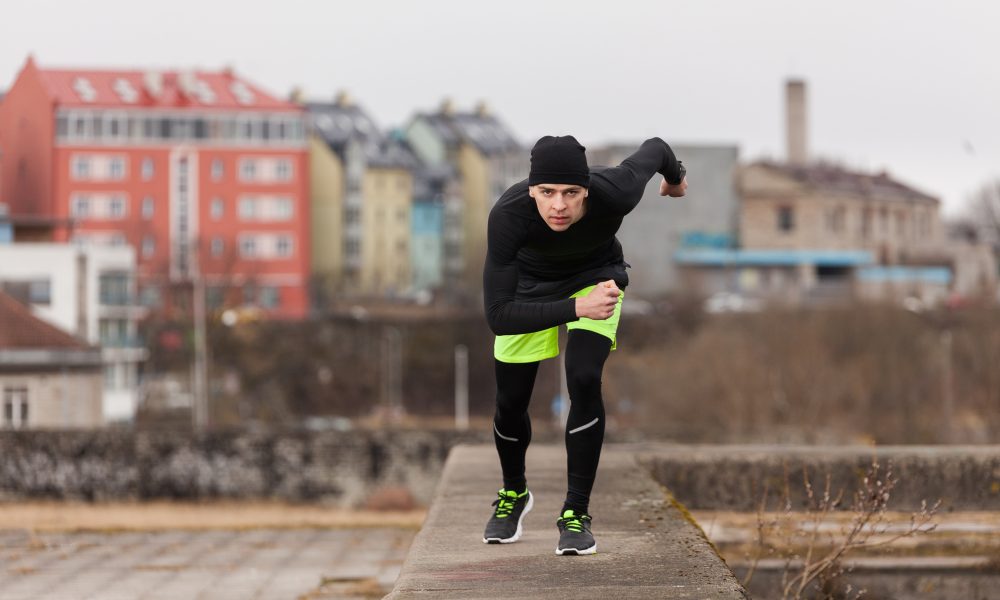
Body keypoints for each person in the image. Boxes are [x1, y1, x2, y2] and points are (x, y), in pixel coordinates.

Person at [481, 135, 687, 555]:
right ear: (531, 189)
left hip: (598, 276)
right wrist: (576, 308)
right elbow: (498, 315)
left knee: (584, 376)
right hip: (529, 289)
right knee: (511, 399)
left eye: (571, 193)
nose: (559, 205)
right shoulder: (508, 215)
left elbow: (657, 148)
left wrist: (676, 179)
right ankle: (514, 494)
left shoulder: (616, 190)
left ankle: (576, 513)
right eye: (547, 193)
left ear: (587, 190)